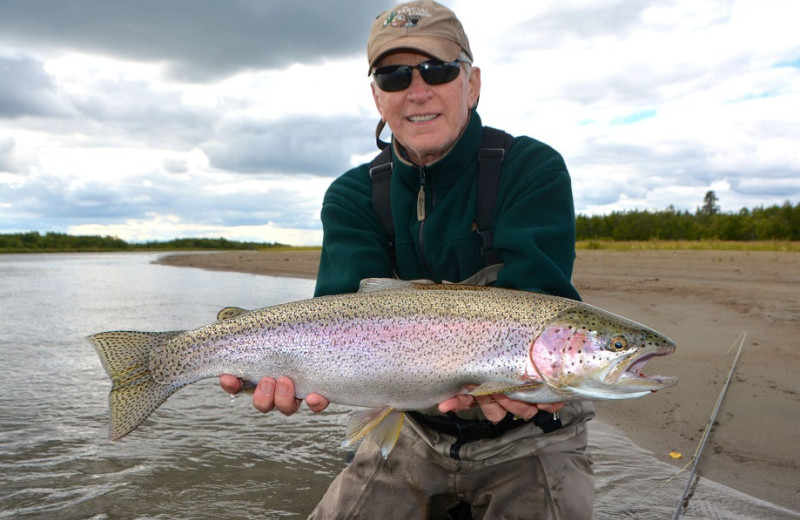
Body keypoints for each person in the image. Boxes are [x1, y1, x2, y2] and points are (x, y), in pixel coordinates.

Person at [220, 1, 595, 518]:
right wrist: (273, 369)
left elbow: (541, 306)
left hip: (532, 432)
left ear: (473, 82)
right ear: (377, 96)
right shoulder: (352, 195)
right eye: (394, 76)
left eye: (438, 69)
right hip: (407, 427)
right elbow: (336, 317)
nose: (417, 90)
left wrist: (520, 387)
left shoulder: (530, 169)